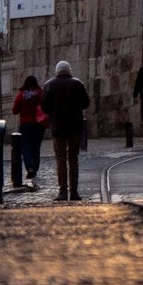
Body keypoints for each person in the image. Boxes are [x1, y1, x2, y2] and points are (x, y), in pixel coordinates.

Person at [41, 60, 90, 203]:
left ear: (57, 71)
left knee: (60, 158)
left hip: (58, 127)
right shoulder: (77, 84)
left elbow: (44, 107)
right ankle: (74, 192)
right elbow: (86, 103)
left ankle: (62, 192)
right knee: (73, 159)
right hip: (75, 127)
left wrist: (54, 111)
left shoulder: (49, 85)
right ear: (69, 70)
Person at [10, 74, 47, 189]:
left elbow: (15, 110)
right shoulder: (40, 94)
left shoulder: (21, 95)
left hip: (25, 124)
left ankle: (30, 167)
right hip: (39, 124)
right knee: (36, 147)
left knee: (26, 147)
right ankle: (35, 168)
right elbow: (46, 106)